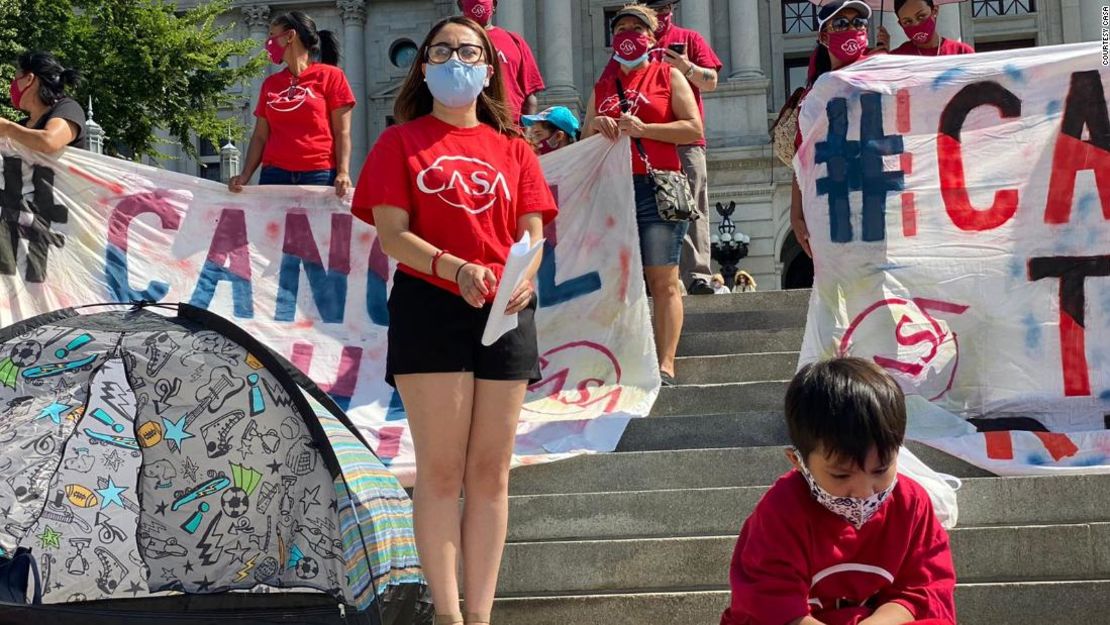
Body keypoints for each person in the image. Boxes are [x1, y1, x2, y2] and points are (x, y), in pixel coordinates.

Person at [350, 16, 556, 625]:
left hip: (505, 308)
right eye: (442, 50)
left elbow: (534, 232)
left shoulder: (515, 147)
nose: (455, 60)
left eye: (468, 51)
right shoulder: (399, 142)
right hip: (430, 306)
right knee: (440, 470)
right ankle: (447, 613)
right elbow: (392, 235)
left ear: (489, 69)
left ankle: (482, 614)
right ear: (423, 66)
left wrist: (523, 276)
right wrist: (453, 267)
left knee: (491, 474)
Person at [720, 358, 957, 625]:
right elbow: (768, 602)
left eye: (880, 470)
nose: (864, 491)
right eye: (841, 474)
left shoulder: (911, 503)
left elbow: (922, 590)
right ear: (798, 461)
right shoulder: (781, 510)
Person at [583, 4, 703, 387]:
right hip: (614, 191)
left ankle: (665, 362)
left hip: (658, 187)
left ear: (652, 37)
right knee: (619, 281)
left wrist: (645, 128)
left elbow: (692, 128)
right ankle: (625, 358)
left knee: (662, 278)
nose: (629, 34)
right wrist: (598, 127)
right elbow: (584, 143)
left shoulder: (667, 75)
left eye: (638, 28)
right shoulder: (602, 86)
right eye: (621, 28)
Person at [640, 0, 723, 296]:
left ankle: (698, 274)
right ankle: (653, 278)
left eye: (666, 7)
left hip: (686, 140)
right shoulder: (634, 46)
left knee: (693, 207)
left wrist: (685, 67)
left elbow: (712, 81)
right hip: (645, 141)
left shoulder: (689, 38)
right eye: (656, 8)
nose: (663, 14)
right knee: (649, 209)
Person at [229, 11, 355, 197]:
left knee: (316, 227)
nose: (268, 43)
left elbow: (342, 132)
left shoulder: (331, 76)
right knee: (271, 227)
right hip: (274, 175)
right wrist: (246, 174)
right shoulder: (270, 84)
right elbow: (260, 136)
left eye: (272, 35)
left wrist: (343, 172)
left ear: (290, 36)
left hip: (319, 173)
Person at [790, 0, 877, 260]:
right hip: (834, 206)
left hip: (878, 201)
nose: (852, 28)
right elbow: (802, 157)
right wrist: (796, 215)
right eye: (841, 23)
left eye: (858, 23)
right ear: (824, 35)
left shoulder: (882, 74)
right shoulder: (816, 95)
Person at [458, 0, 545, 121]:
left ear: (494, 5)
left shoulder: (515, 41)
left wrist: (527, 131)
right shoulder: (452, 44)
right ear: (460, 5)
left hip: (510, 128)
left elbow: (530, 97)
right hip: (468, 125)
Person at [0, 52, 86, 152]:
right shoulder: (21, 126)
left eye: (16, 79)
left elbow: (49, 142)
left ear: (29, 79)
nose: (12, 85)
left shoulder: (68, 108)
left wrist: (7, 128)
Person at [878, 0, 974, 56]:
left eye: (921, 16)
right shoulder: (898, 57)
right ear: (900, 24)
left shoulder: (962, 52)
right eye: (907, 22)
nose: (916, 24)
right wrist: (883, 58)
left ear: (935, 11)